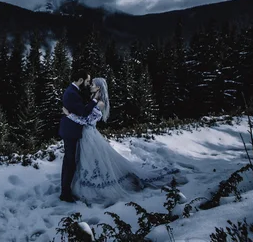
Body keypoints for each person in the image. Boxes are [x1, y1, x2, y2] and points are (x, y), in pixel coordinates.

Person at [63, 77, 179, 206]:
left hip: (90, 135)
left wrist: (69, 115)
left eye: (93, 85)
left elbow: (86, 120)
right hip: (85, 135)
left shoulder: (100, 103)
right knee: (86, 162)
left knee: (92, 162)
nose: (90, 86)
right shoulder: (94, 100)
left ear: (99, 88)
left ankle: (95, 187)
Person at [58, 70, 98, 203]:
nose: (87, 84)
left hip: (70, 130)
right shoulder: (72, 93)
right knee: (70, 162)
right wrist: (94, 100)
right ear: (80, 80)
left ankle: (66, 189)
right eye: (86, 81)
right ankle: (65, 193)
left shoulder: (72, 91)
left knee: (69, 161)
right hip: (71, 132)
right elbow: (83, 112)